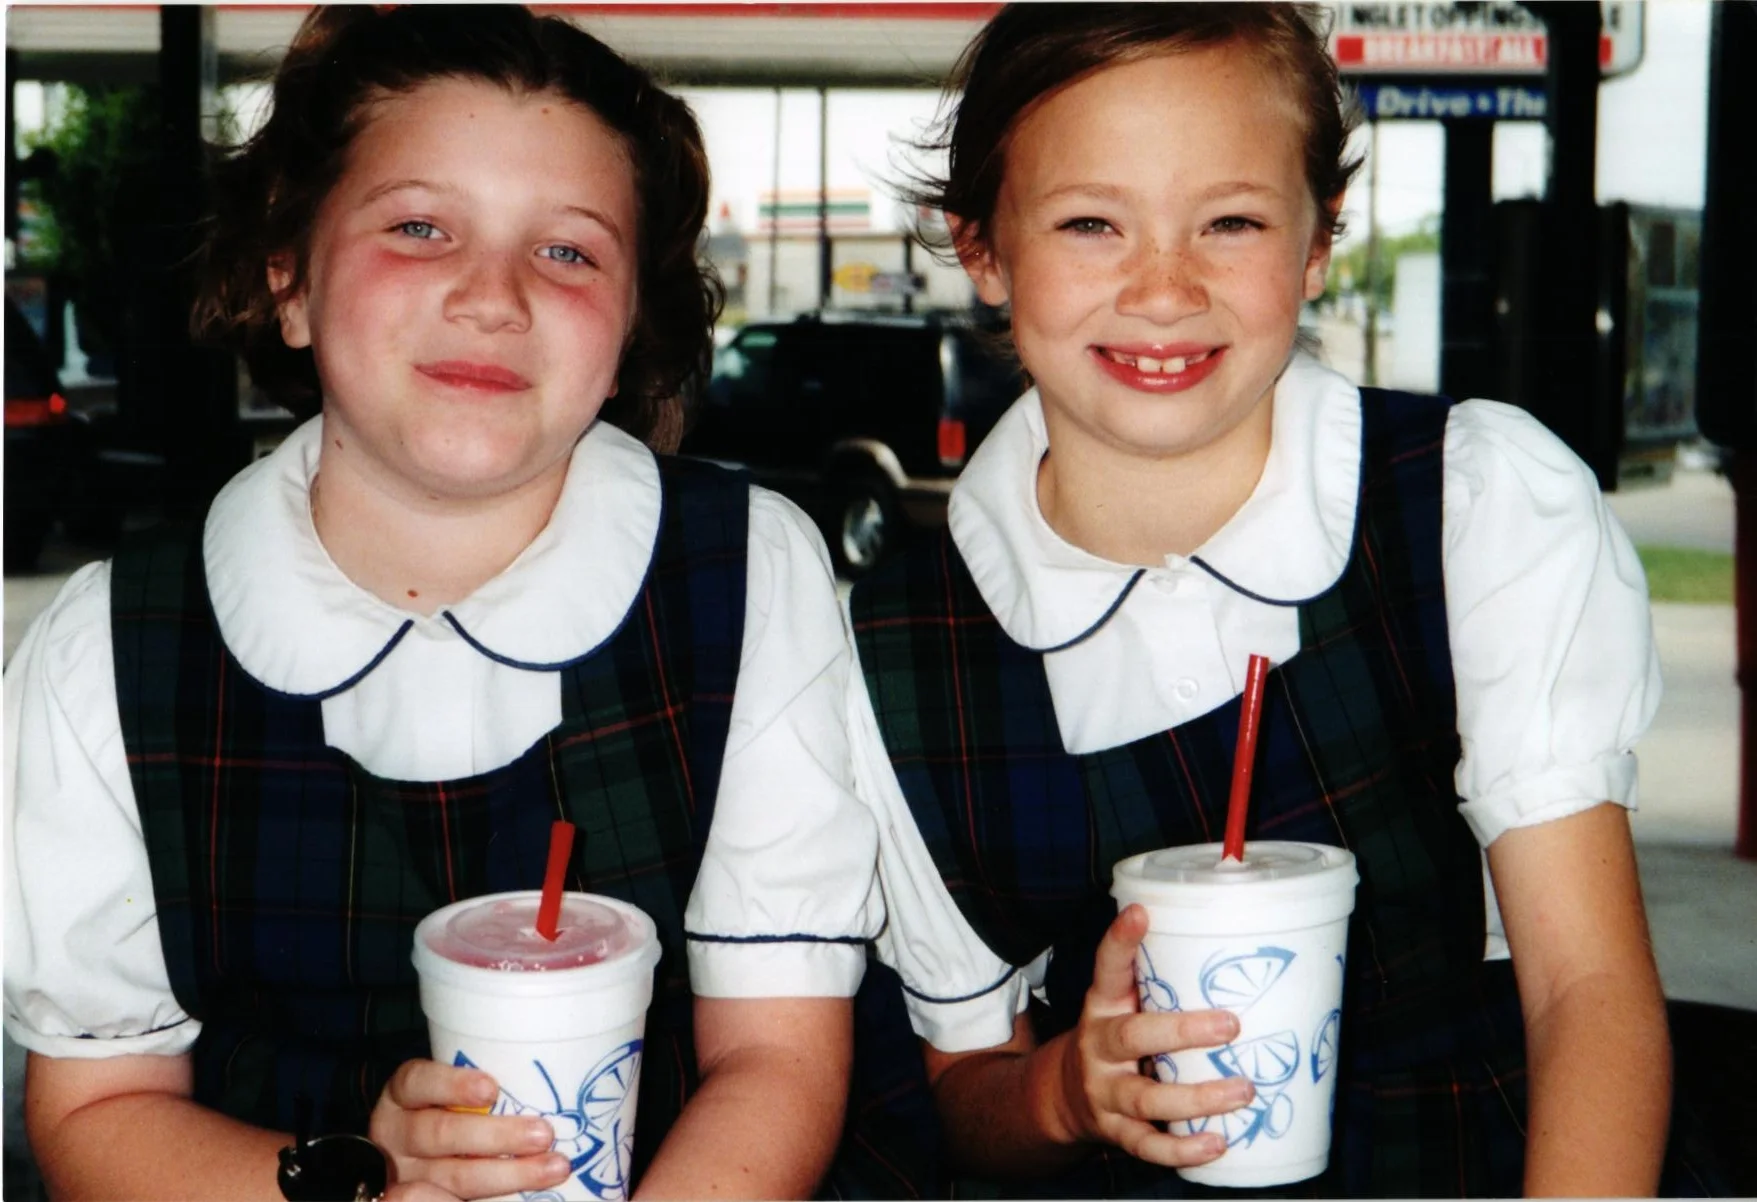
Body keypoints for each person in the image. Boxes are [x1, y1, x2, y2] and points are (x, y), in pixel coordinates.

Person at [3, 8, 882, 1199]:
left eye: (567, 251)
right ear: (289, 277)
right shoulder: (109, 650)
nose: (492, 294)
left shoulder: (744, 574)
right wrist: (356, 1180)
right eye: (419, 227)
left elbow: (775, 1056)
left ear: (631, 327)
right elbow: (97, 1109)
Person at [846, 4, 1705, 1196]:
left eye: (1230, 222)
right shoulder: (898, 652)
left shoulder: (1465, 506)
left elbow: (1586, 988)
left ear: (1314, 243)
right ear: (981, 246)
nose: (1163, 289)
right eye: (1091, 222)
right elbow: (969, 1089)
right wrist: (1063, 1093)